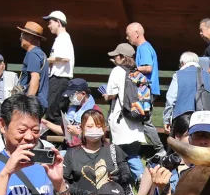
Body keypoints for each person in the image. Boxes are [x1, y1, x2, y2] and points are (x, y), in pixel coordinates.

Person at [63, 108, 132, 195]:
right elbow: (63, 182)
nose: (94, 129)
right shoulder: (71, 154)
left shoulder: (114, 150)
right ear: (82, 128)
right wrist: (81, 194)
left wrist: (119, 180)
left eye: (98, 126)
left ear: (104, 128)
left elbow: (127, 175)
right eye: (89, 126)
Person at [103, 43, 148, 181]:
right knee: (133, 153)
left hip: (121, 120)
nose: (114, 58)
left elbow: (111, 94)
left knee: (120, 154)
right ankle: (136, 180)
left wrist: (105, 96)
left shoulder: (117, 71)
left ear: (122, 57)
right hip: (136, 119)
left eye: (116, 56)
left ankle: (142, 179)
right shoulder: (137, 73)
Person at [163, 51, 210, 128]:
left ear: (182, 63)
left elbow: (171, 99)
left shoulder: (178, 75)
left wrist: (167, 119)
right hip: (203, 118)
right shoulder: (208, 75)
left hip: (182, 117)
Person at [43, 10, 74, 120]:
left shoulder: (63, 38)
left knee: (53, 113)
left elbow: (65, 58)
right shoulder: (62, 38)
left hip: (59, 79)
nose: (48, 26)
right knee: (55, 112)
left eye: (50, 22)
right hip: (59, 80)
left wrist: (46, 60)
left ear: (58, 22)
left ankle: (61, 135)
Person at [16, 21, 50, 114]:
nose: (20, 38)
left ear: (30, 37)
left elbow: (35, 78)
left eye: (22, 35)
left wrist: (28, 103)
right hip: (39, 102)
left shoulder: (33, 54)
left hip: (33, 104)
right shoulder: (40, 53)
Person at [126, 22, 160, 97]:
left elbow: (148, 68)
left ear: (137, 33)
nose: (127, 37)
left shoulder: (144, 48)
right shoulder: (142, 47)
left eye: (128, 34)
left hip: (145, 91)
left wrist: (130, 69)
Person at [61, 77, 95, 147]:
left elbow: (95, 136)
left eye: (73, 94)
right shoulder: (73, 108)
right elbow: (64, 130)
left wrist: (78, 133)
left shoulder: (94, 111)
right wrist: (46, 123)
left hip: (85, 148)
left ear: (83, 93)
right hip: (70, 147)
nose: (70, 97)